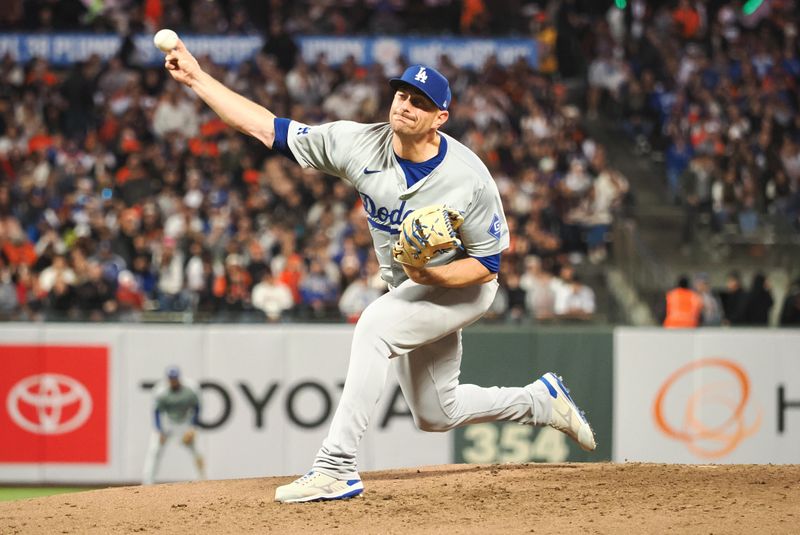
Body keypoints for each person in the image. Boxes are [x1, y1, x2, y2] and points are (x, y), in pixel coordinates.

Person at [162, 41, 596, 503]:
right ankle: (538, 400)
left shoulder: (470, 177)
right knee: (436, 412)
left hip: (462, 286)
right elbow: (268, 128)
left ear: (440, 118)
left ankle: (336, 467)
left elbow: (489, 267)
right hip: (412, 285)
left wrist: (432, 279)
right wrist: (196, 78)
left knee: (373, 326)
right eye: (403, 96)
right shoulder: (357, 143)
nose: (406, 106)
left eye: (421, 103)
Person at [142, 366, 206, 485]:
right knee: (154, 450)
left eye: (175, 378)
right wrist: (159, 430)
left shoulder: (190, 388)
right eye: (171, 378)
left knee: (197, 450)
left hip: (184, 422)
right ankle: (147, 483)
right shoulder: (161, 390)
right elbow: (156, 412)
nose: (173, 381)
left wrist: (192, 428)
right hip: (168, 422)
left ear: (179, 378)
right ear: (168, 379)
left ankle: (202, 479)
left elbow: (197, 408)